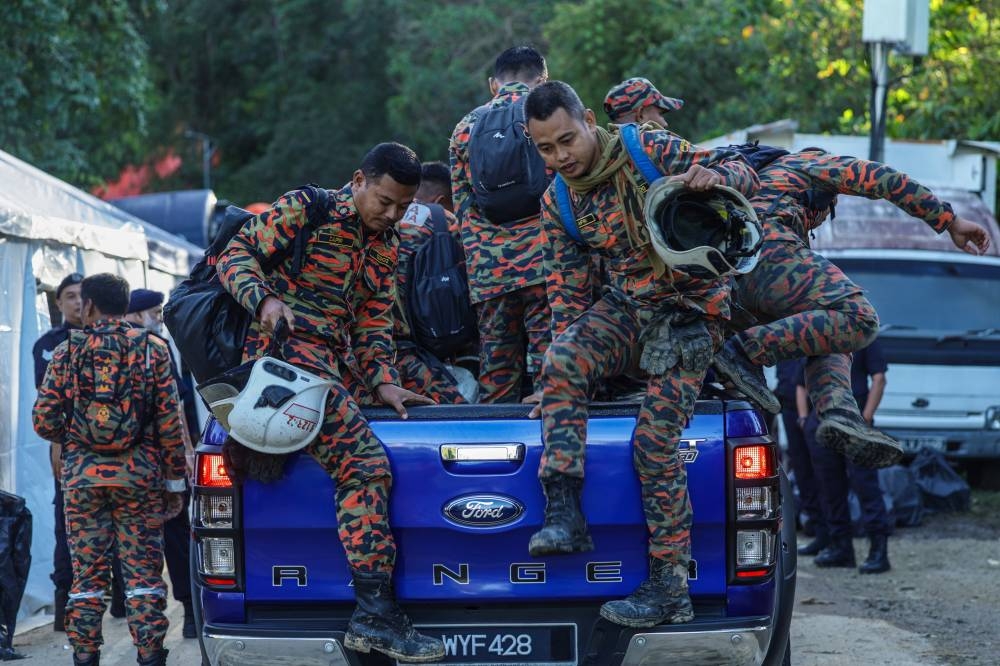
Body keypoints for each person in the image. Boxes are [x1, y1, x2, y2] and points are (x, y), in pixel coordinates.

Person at [522, 80, 760, 627]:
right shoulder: (558, 200)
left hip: (690, 311)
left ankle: (669, 586)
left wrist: (712, 176)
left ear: (587, 119)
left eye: (566, 140)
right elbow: (568, 298)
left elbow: (744, 174)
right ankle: (564, 511)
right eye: (545, 149)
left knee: (653, 447)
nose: (561, 157)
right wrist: (564, 380)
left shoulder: (647, 147)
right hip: (629, 309)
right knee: (561, 358)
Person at [215, 142, 445, 662]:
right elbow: (234, 255)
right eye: (384, 200)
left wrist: (385, 383)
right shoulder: (308, 208)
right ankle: (374, 618)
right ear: (359, 180)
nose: (391, 214)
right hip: (283, 367)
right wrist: (264, 299)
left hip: (331, 370)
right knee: (364, 464)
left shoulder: (386, 245)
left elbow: (372, 323)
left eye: (402, 207)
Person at [712, 147, 991, 468]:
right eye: (828, 208)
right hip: (766, 248)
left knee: (829, 329)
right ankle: (745, 351)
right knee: (857, 319)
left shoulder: (750, 181)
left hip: (723, 278)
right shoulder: (807, 163)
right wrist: (949, 220)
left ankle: (839, 412)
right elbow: (883, 179)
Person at [32, 273, 187, 666]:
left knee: (88, 577)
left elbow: (43, 422)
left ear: (89, 305)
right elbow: (171, 423)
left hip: (83, 481)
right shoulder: (153, 349)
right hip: (140, 479)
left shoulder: (66, 352)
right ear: (124, 303)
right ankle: (150, 655)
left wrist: (76, 430)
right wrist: (173, 483)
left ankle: (85, 655)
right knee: (144, 575)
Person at [450, 45, 552, 403]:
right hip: (545, 262)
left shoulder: (465, 128)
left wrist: (480, 261)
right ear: (543, 80)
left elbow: (463, 207)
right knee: (550, 367)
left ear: (494, 84)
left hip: (490, 271)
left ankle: (497, 443)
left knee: (496, 368)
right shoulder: (549, 116)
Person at [123, 288, 198, 639]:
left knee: (128, 544)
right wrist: (182, 458)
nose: (158, 318)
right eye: (154, 311)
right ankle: (188, 614)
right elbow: (176, 407)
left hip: (110, 472)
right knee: (176, 535)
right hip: (158, 463)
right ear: (136, 314)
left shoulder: (84, 348)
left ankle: (125, 620)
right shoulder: (156, 347)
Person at [801, 340, 893, 574]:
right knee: (831, 487)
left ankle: (875, 552)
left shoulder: (856, 336)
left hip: (847, 421)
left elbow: (879, 379)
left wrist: (866, 418)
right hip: (828, 422)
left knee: (862, 485)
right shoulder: (826, 338)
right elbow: (801, 382)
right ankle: (845, 549)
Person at [32, 272, 83, 632]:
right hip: (68, 449)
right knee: (66, 525)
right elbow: (47, 404)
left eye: (82, 295)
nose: (77, 302)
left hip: (111, 455)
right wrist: (56, 446)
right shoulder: (48, 345)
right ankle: (64, 601)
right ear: (59, 302)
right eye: (69, 296)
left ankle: (119, 598)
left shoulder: (118, 340)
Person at [393, 164, 469, 404]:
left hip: (378, 351)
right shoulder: (444, 220)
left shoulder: (378, 214)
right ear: (441, 199)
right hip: (426, 351)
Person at [776, 359, 828, 556]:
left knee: (823, 473)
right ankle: (820, 531)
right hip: (790, 407)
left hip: (816, 409)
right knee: (803, 473)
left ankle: (833, 533)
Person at [604, 77, 684, 128]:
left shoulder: (608, 150)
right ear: (641, 115)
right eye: (660, 114)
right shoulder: (663, 145)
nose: (665, 123)